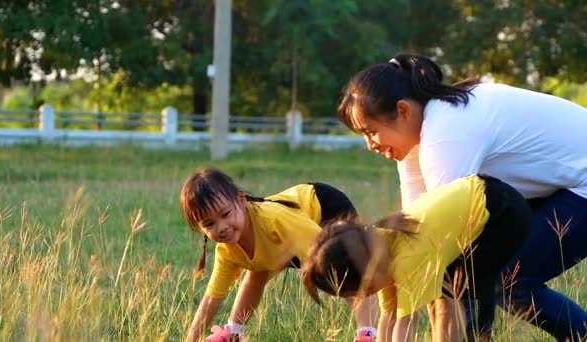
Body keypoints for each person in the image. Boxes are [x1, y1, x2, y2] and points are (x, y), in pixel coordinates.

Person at [336, 53, 587, 341]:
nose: (370, 145)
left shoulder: (446, 131)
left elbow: (447, 245)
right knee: (475, 274)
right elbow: (415, 230)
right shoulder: (417, 136)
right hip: (560, 185)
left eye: (371, 132)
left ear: (402, 110)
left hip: (582, 185)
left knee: (509, 280)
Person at [302, 174, 531, 341]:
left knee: (459, 294)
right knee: (444, 292)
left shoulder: (408, 258)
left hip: (501, 212)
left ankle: (478, 335)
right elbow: (388, 315)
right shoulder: (379, 245)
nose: (370, 295)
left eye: (367, 290)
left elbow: (406, 323)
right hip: (475, 198)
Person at [181, 167, 378, 342]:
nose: (221, 227)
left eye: (225, 215)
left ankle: (368, 333)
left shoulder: (275, 221)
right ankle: (233, 333)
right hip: (282, 242)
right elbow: (211, 299)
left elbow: (326, 255)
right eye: (209, 224)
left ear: (241, 200)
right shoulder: (226, 251)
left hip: (324, 210)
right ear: (200, 228)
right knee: (256, 272)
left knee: (342, 271)